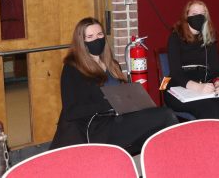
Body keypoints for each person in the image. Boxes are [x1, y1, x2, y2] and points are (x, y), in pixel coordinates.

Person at [50, 17, 178, 154]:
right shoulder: (73, 68)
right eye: (90, 36)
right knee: (165, 115)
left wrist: (133, 97)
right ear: (82, 42)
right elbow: (71, 112)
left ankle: (162, 161)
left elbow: (122, 93)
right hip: (100, 127)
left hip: (121, 118)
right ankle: (180, 159)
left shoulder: (112, 64)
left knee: (159, 121)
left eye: (100, 35)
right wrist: (110, 104)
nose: (96, 40)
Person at [164, 0, 219, 132]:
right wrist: (198, 87)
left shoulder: (209, 38)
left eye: (203, 13)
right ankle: (215, 148)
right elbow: (175, 73)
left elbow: (216, 70)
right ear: (186, 16)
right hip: (179, 85)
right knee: (211, 109)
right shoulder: (175, 37)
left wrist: (218, 82)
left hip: (205, 83)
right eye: (195, 13)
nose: (199, 16)